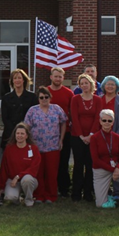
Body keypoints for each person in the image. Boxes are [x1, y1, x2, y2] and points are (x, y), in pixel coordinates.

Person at [24, 86, 67, 203]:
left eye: (46, 97)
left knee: (51, 173)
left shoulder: (56, 109)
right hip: (36, 146)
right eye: (41, 97)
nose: (44, 99)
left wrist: (61, 139)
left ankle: (51, 195)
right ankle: (39, 195)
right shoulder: (32, 110)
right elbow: (26, 127)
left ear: (50, 97)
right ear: (38, 99)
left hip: (53, 146)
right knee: (38, 172)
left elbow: (63, 122)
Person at [69, 73, 102, 202]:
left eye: (86, 83)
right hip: (77, 136)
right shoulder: (75, 99)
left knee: (90, 165)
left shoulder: (98, 100)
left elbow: (97, 118)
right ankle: (76, 193)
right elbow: (74, 117)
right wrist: (81, 135)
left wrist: (91, 135)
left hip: (93, 137)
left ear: (91, 84)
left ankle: (88, 193)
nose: (84, 85)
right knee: (78, 165)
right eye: (81, 83)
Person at [46, 67, 74, 198]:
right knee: (49, 161)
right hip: (47, 133)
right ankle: (49, 186)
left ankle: (64, 188)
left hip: (65, 132)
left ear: (63, 78)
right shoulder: (45, 92)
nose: (57, 79)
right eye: (55, 76)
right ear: (51, 77)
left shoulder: (69, 93)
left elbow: (72, 112)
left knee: (63, 161)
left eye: (60, 76)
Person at [0, 123, 40, 207]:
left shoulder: (33, 148)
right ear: (14, 135)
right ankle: (17, 199)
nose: (19, 136)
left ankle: (29, 200)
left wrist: (18, 176)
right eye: (17, 133)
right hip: (12, 180)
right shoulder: (9, 148)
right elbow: (4, 168)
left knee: (27, 180)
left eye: (22, 133)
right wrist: (1, 187)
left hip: (28, 180)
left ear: (26, 136)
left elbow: (33, 168)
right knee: (10, 197)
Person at [1, 69, 38, 149]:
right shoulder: (6, 98)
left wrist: (24, 131)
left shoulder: (32, 97)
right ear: (12, 81)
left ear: (23, 80)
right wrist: (15, 132)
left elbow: (35, 116)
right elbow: (5, 118)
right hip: (10, 134)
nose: (17, 80)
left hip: (27, 134)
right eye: (15, 78)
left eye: (19, 78)